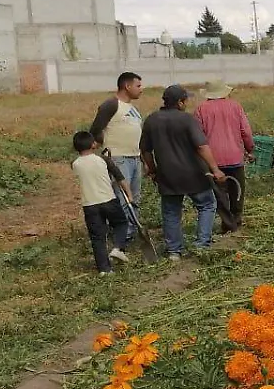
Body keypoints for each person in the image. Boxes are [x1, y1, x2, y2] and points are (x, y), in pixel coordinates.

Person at [139, 85, 226, 261]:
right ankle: (202, 245)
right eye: (185, 100)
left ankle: (174, 251)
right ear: (179, 102)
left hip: (168, 175)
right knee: (207, 205)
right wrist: (215, 169)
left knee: (171, 212)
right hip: (193, 174)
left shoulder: (152, 120)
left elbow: (145, 150)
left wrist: (153, 170)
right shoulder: (187, 120)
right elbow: (201, 146)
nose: (186, 103)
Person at [193, 81, 254, 232]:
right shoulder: (235, 106)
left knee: (220, 194)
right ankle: (236, 220)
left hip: (213, 160)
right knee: (237, 191)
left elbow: (197, 136)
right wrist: (250, 148)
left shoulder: (201, 109)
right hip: (235, 157)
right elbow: (245, 131)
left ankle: (227, 224)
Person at [89, 72, 144, 236]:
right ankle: (122, 236)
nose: (141, 89)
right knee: (122, 198)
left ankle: (132, 232)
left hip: (135, 157)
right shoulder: (111, 105)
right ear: (127, 86)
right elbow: (95, 129)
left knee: (134, 197)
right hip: (118, 159)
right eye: (138, 86)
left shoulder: (133, 108)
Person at [71, 131, 131, 275]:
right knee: (121, 223)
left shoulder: (75, 164)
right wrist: (129, 195)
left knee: (97, 237)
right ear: (93, 144)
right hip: (109, 200)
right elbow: (119, 178)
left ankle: (104, 269)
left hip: (90, 205)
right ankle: (118, 248)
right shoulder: (103, 160)